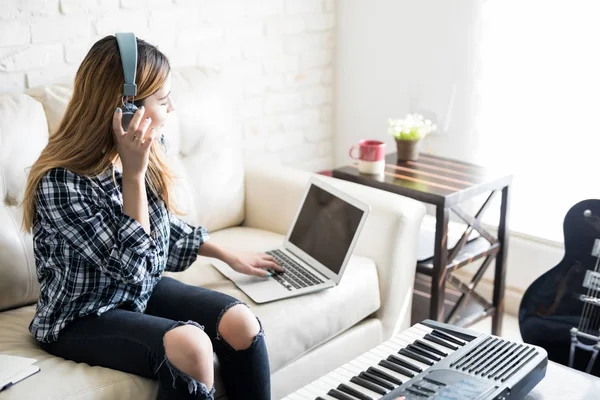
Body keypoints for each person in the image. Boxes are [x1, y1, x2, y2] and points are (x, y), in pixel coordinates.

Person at [20, 35, 284, 400]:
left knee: (241, 323)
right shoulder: (61, 181)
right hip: (79, 316)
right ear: (127, 110)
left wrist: (228, 254)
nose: (172, 108)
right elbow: (134, 266)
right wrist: (133, 176)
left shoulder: (148, 148)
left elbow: (162, 233)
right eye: (162, 100)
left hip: (135, 293)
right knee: (191, 346)